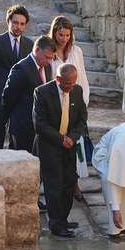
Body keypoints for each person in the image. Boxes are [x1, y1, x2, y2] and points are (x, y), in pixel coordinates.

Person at [32, 63, 87, 237]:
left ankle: (62, 219)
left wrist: (71, 137)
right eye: (66, 84)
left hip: (69, 146)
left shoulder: (77, 91)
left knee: (68, 183)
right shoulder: (41, 92)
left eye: (73, 83)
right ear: (58, 79)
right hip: (49, 145)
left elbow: (82, 119)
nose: (70, 87)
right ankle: (56, 225)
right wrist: (61, 139)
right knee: (54, 186)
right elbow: (40, 124)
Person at [48, 15, 90, 202]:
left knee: (74, 147)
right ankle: (59, 186)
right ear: (54, 33)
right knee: (58, 147)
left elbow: (82, 80)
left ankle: (74, 185)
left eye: (67, 35)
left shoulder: (77, 51)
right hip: (55, 106)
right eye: (60, 34)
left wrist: (82, 104)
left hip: (74, 103)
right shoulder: (50, 52)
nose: (63, 38)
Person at [0, 4, 33, 150]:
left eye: (22, 24)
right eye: (15, 22)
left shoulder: (29, 44)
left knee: (16, 137)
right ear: (8, 22)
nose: (18, 26)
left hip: (20, 99)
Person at [2, 35, 56, 153]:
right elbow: (8, 96)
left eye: (51, 58)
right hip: (22, 126)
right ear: (36, 50)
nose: (48, 61)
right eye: (46, 57)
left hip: (38, 126)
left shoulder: (47, 67)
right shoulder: (22, 68)